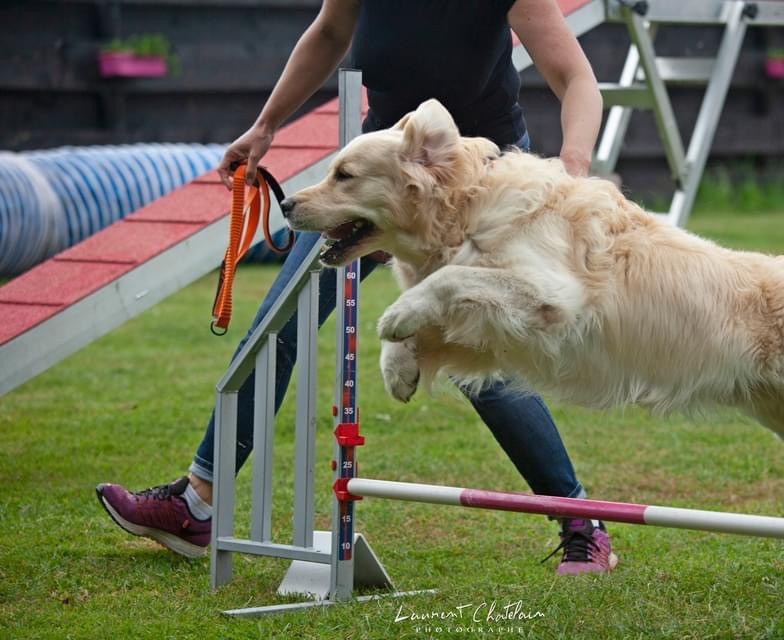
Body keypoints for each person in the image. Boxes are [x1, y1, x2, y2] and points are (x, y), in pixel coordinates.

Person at [96, 0, 615, 575]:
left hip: (476, 192)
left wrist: (573, 164)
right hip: (377, 186)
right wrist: (265, 125)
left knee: (482, 367)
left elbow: (576, 78)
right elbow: (327, 32)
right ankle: (197, 503)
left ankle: (580, 521)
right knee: (280, 322)